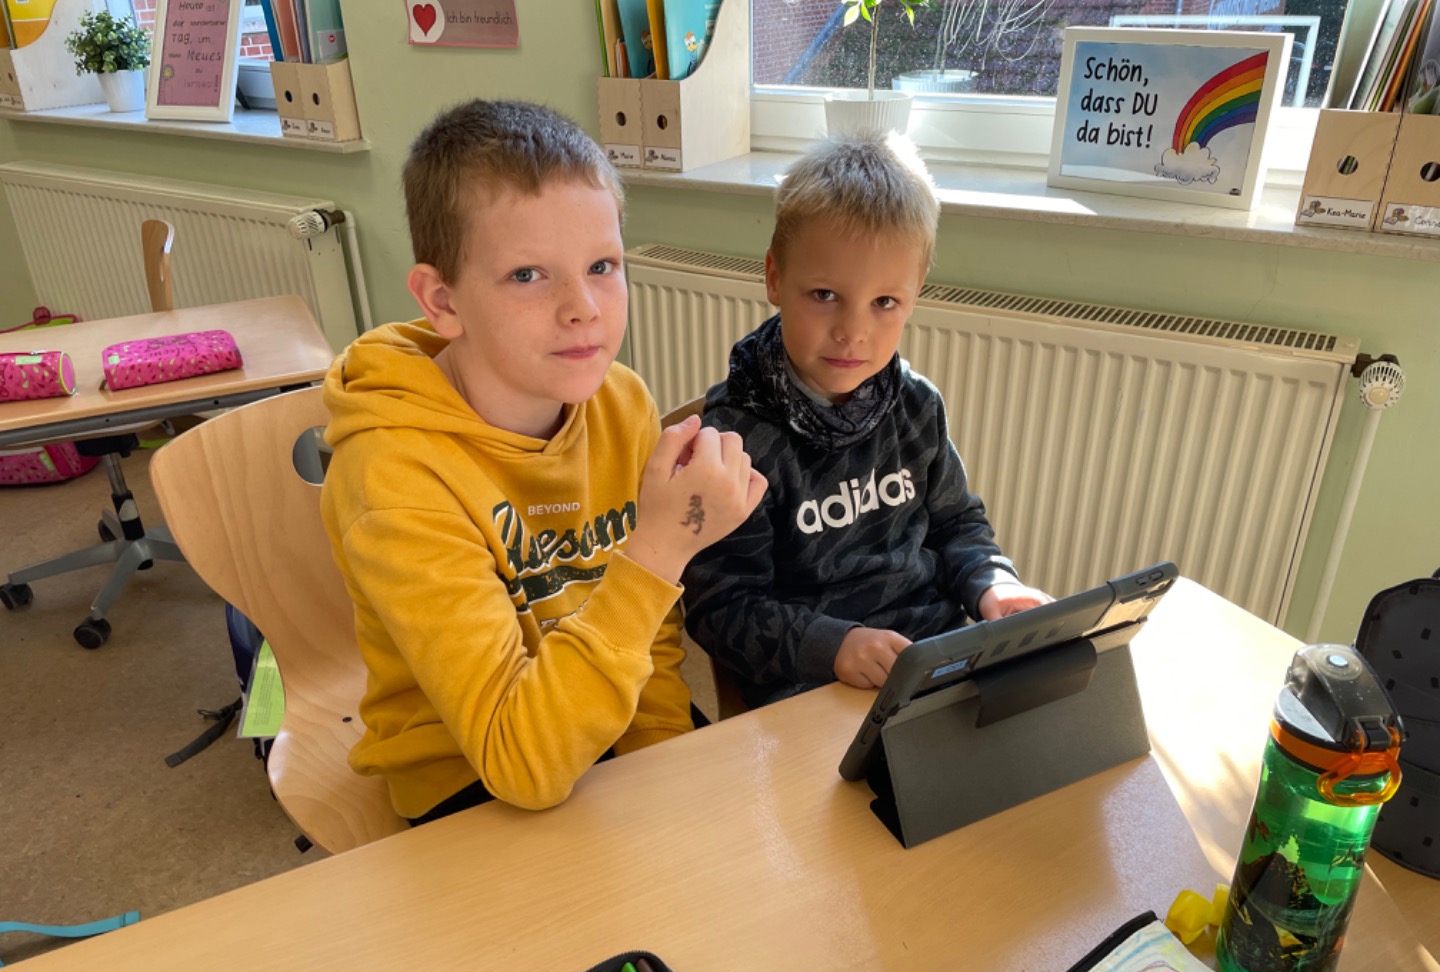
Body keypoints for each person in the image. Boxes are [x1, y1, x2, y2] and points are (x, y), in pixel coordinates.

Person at [320, 99, 766, 824]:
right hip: (469, 769)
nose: (582, 306)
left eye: (602, 266)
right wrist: (660, 549)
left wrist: (663, 762)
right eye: (528, 274)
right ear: (443, 300)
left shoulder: (620, 401)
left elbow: (651, 643)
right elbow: (521, 764)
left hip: (601, 714)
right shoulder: (391, 474)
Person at [682, 132, 1049, 709]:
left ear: (914, 295)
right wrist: (835, 646)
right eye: (825, 294)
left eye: (884, 303)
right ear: (775, 277)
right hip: (809, 689)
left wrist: (992, 582)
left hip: (933, 666)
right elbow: (722, 610)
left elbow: (958, 526)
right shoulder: (734, 439)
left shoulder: (916, 406)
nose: (853, 332)